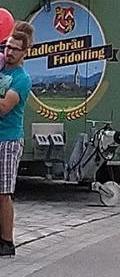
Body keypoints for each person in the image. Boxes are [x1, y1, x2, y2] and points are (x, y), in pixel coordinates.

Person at [0, 23, 34, 256]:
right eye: (7, 47)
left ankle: (6, 241)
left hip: (8, 140)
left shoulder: (22, 78)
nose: (9, 52)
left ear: (24, 53)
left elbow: (4, 106)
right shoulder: (1, 69)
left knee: (3, 193)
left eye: (14, 49)